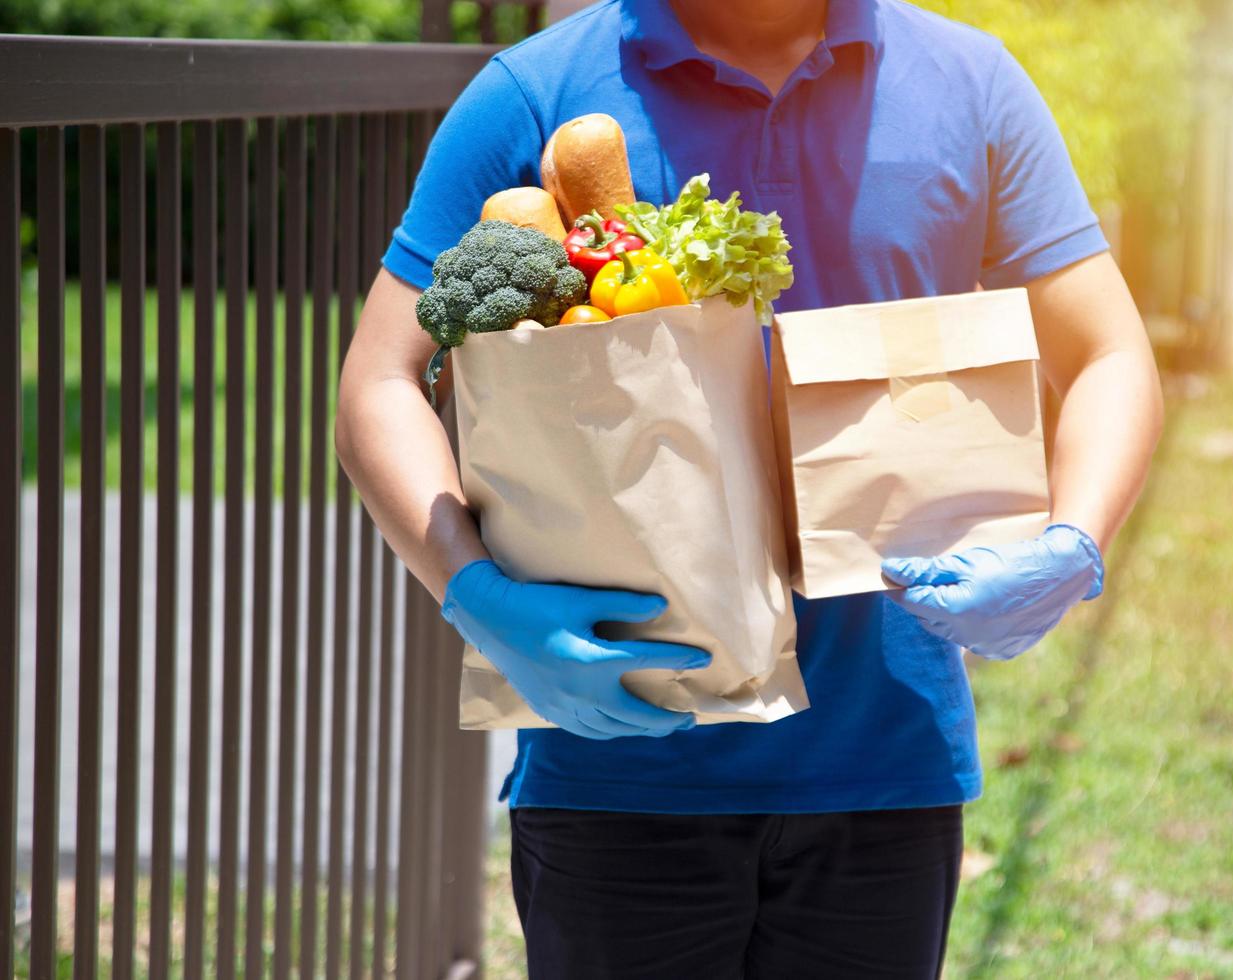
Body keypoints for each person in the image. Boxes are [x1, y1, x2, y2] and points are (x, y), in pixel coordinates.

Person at [335, 0, 1163, 976]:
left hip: (884, 764)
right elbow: (380, 379)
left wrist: (1074, 540)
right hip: (617, 766)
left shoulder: (972, 88)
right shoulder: (536, 92)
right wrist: (477, 594)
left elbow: (1108, 351)